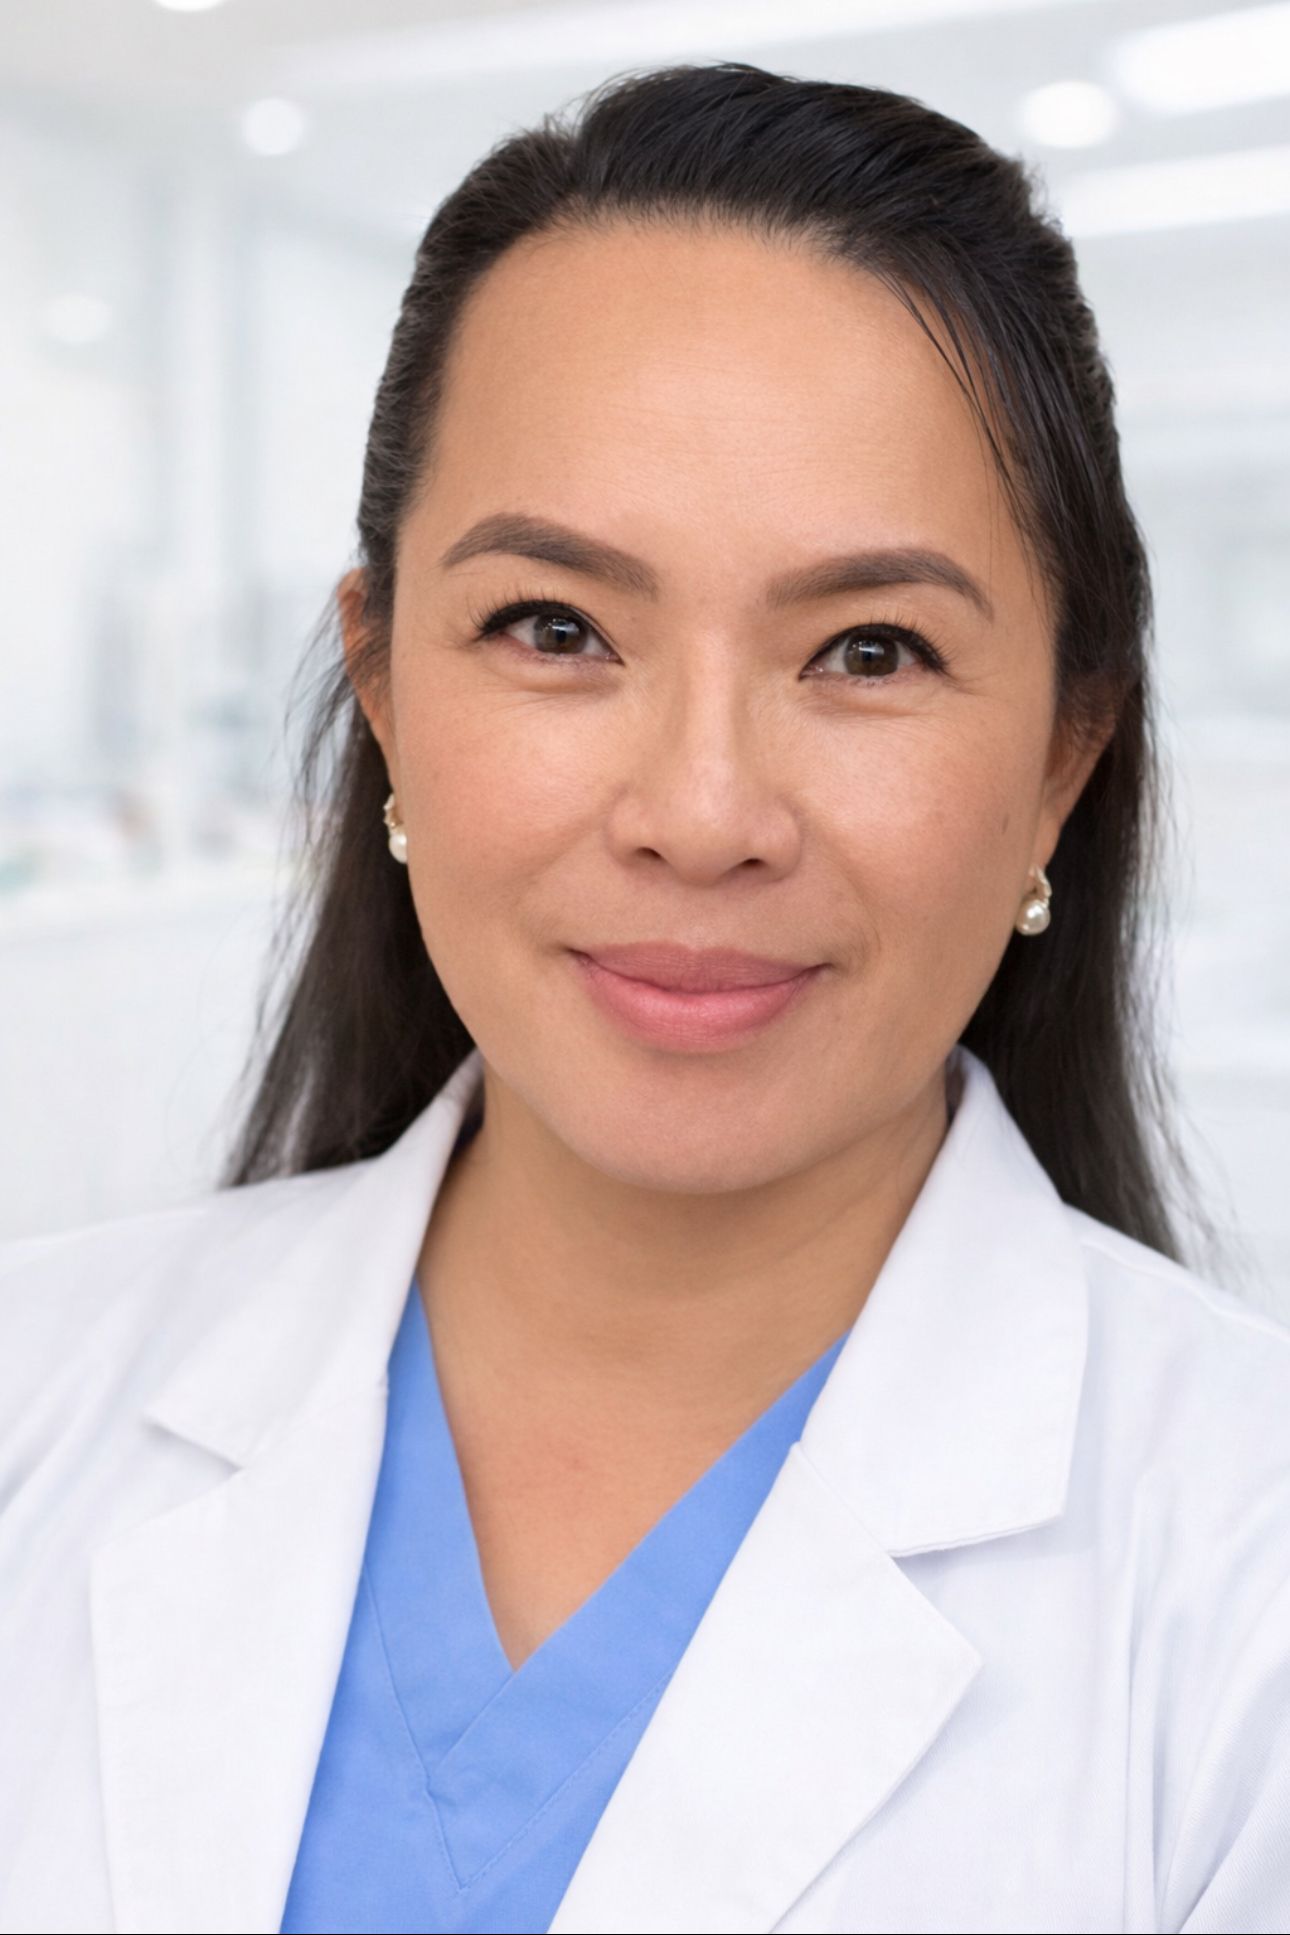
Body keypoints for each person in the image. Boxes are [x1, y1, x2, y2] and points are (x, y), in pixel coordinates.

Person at [2, 59, 1287, 1935]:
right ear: (381, 689)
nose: (700, 816)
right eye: (555, 630)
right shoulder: (34, 1390)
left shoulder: (1241, 1587)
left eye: (869, 650)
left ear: (1062, 759)